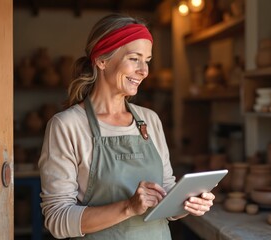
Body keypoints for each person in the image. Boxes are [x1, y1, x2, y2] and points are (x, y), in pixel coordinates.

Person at [38, 13, 215, 239]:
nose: (144, 71)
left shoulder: (149, 120)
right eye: (134, 58)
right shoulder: (67, 126)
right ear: (102, 60)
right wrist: (129, 207)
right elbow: (57, 219)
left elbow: (166, 194)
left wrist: (186, 203)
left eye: (147, 61)